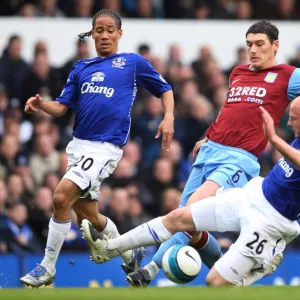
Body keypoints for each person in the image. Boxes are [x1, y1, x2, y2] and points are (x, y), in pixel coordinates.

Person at [83, 20, 300, 287]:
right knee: (184, 220)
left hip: (239, 159)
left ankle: (147, 268)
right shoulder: (239, 72)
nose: (253, 50)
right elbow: (232, 109)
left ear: (275, 45)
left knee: (191, 208)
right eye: (249, 45)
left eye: (259, 45)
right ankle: (233, 270)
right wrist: (209, 135)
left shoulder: (289, 75)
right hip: (211, 150)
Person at [20, 9, 174, 288]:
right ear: (92, 34)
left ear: (119, 34)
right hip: (78, 147)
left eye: (109, 30)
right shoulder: (81, 68)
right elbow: (62, 107)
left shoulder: (132, 63)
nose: (103, 35)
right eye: (98, 30)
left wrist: (168, 117)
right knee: (88, 216)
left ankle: (47, 266)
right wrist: (42, 104)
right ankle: (130, 252)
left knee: (60, 196)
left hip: (104, 148)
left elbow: (165, 89)